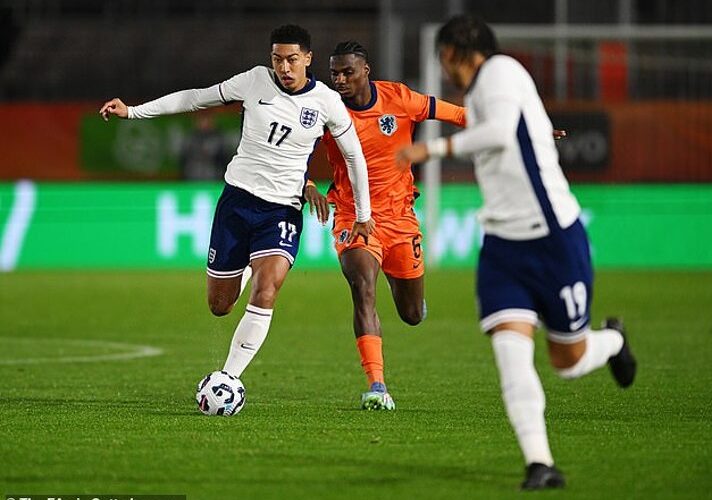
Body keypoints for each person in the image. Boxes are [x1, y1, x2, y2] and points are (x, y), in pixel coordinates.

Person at [397, 16, 636, 490]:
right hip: (503, 246)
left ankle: (612, 342)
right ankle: (539, 463)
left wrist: (432, 150)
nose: (443, 68)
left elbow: (503, 134)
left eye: (443, 56)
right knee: (511, 354)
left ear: (456, 50)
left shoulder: (501, 71)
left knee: (567, 362)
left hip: (553, 239)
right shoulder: (481, 92)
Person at [100, 24, 374, 395]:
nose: (284, 68)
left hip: (281, 210)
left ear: (308, 59)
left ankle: (228, 379)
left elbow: (354, 156)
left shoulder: (326, 102)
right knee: (219, 305)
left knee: (267, 289)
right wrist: (133, 112)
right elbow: (197, 97)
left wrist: (363, 215)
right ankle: (245, 266)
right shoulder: (254, 81)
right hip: (237, 202)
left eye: (292, 60)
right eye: (277, 59)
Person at [303, 41, 466, 410]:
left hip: (400, 217)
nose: (340, 80)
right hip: (352, 216)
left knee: (411, 314)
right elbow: (298, 152)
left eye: (347, 72)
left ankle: (408, 293)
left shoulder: (399, 98)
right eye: (334, 74)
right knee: (362, 288)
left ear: (365, 71)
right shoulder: (325, 109)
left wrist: (518, 129)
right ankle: (377, 385)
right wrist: (308, 185)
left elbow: (454, 114)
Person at [179, 113, 227, 181]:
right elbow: (183, 157)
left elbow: (223, 157)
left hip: (213, 175)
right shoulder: (191, 138)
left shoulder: (218, 137)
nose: (204, 124)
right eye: (202, 121)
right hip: (193, 175)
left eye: (207, 121)